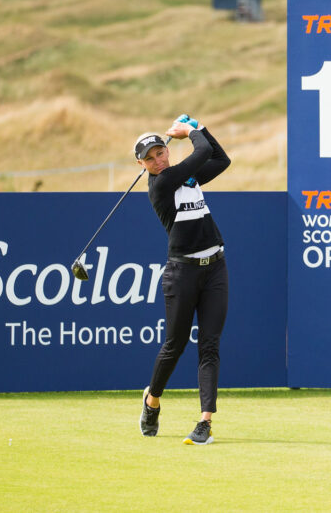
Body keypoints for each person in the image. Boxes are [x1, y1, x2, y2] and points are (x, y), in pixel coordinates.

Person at [135, 114, 231, 445]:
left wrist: (201, 129)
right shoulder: (162, 183)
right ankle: (152, 401)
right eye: (150, 158)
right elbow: (201, 153)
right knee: (174, 346)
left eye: (161, 152)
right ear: (142, 165)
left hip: (215, 267)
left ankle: (205, 422)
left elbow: (220, 159)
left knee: (210, 345)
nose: (158, 160)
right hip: (183, 272)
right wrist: (191, 131)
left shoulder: (186, 179)